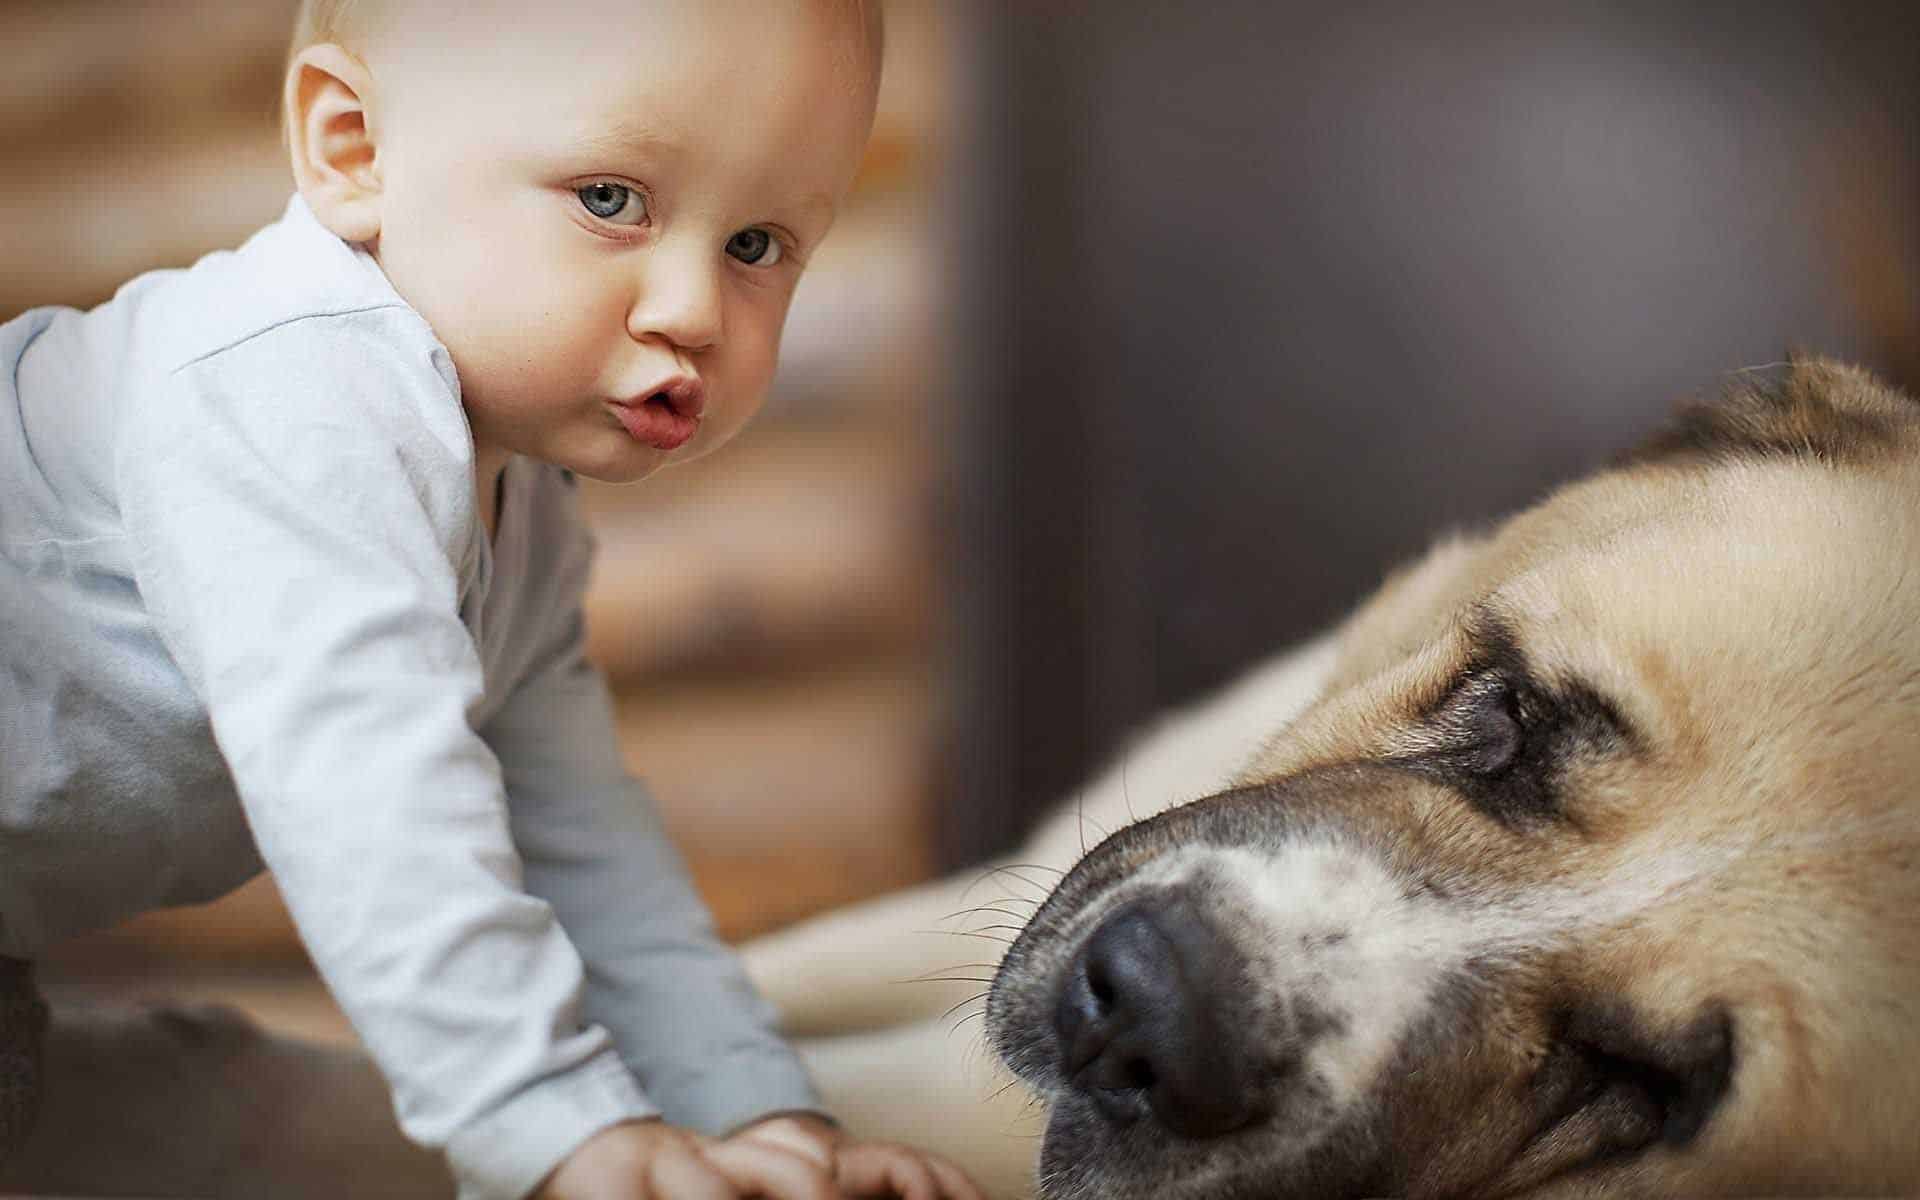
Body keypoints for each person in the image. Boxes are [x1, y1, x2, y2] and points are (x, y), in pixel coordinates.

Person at [0, 2, 984, 1197]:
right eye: (611, 199)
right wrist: (553, 1127)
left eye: (759, 245)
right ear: (352, 147)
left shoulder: (523, 513)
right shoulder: (290, 391)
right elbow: (371, 789)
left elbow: (577, 839)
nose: (692, 309)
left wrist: (760, 1120)